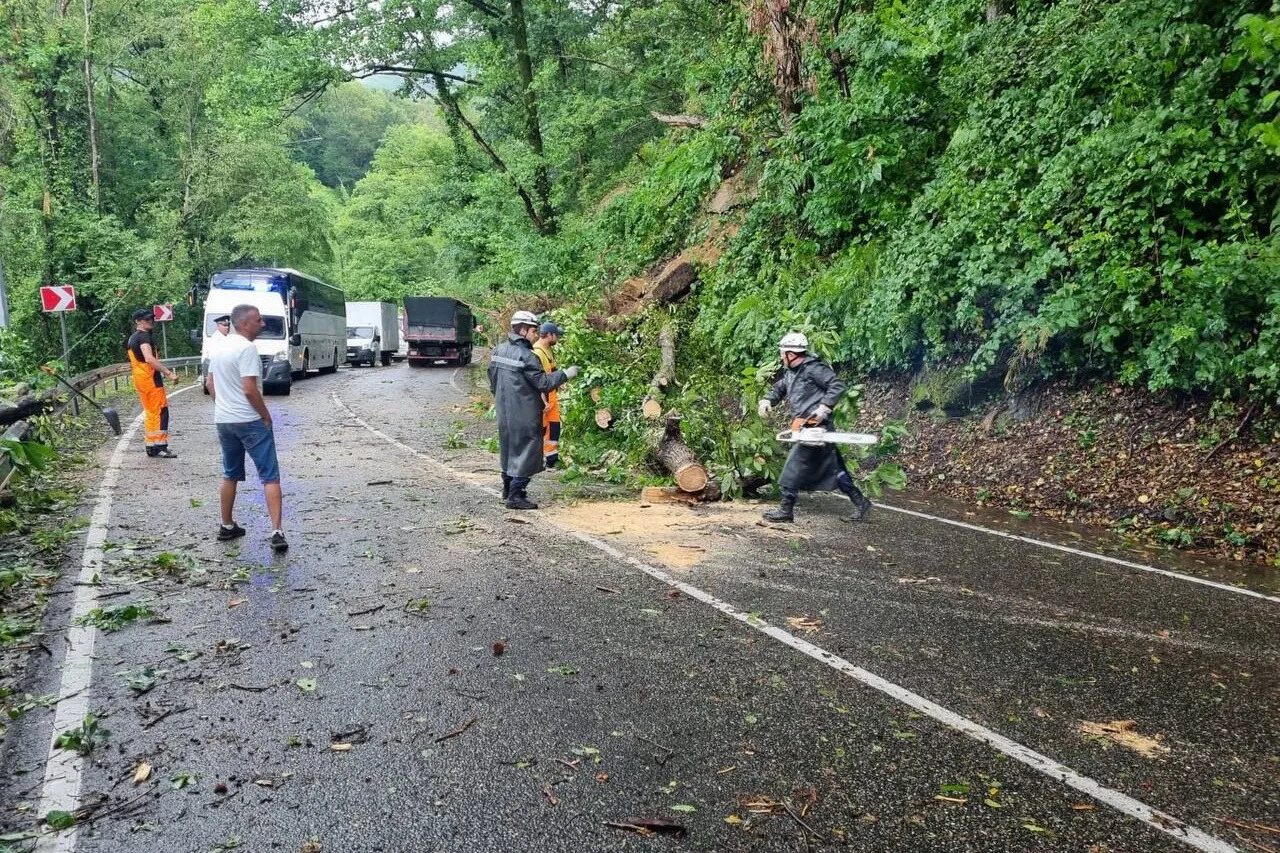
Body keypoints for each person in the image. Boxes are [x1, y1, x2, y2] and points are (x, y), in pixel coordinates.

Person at [757, 332, 872, 523]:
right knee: (835, 469)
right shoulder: (791, 372)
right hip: (804, 427)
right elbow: (779, 388)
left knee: (792, 467)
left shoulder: (814, 369)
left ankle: (786, 509)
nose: (780, 356)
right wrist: (767, 400)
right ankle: (860, 501)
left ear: (791, 354)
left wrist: (824, 407)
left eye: (782, 352)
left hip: (817, 428)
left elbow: (837, 385)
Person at [207, 304, 288, 553]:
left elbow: (210, 383)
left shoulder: (218, 346)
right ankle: (276, 531)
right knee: (270, 475)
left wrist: (223, 405)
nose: (262, 324)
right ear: (244, 324)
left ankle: (227, 525)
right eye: (258, 320)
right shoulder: (247, 348)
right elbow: (250, 389)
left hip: (224, 420)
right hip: (249, 420)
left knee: (230, 472)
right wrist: (265, 416)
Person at [488, 310, 580, 510]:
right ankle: (515, 495)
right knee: (529, 450)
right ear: (522, 330)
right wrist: (566, 374)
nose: (535, 334)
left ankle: (507, 489)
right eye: (532, 330)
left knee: (509, 448)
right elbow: (543, 383)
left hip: (504, 411)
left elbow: (492, 381)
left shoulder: (498, 350)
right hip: (525, 412)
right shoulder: (527, 356)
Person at [126, 308, 179, 458]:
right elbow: (149, 358)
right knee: (161, 411)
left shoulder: (132, 338)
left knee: (150, 412)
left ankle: (151, 446)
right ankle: (161, 445)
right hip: (150, 379)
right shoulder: (144, 337)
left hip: (140, 379)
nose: (150, 321)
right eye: (146, 319)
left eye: (151, 319)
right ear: (138, 321)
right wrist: (168, 373)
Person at [532, 321, 564, 469]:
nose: (558, 338)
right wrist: (543, 401)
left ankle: (551, 458)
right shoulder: (538, 352)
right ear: (549, 335)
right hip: (545, 398)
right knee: (543, 429)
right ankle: (539, 458)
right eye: (556, 335)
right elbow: (539, 380)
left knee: (554, 427)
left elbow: (551, 374)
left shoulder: (547, 350)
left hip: (551, 396)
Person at [201, 314, 232, 395]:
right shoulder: (216, 339)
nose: (227, 327)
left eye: (228, 325)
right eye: (224, 325)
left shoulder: (226, 338)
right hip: (219, 370)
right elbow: (214, 357)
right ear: (218, 326)